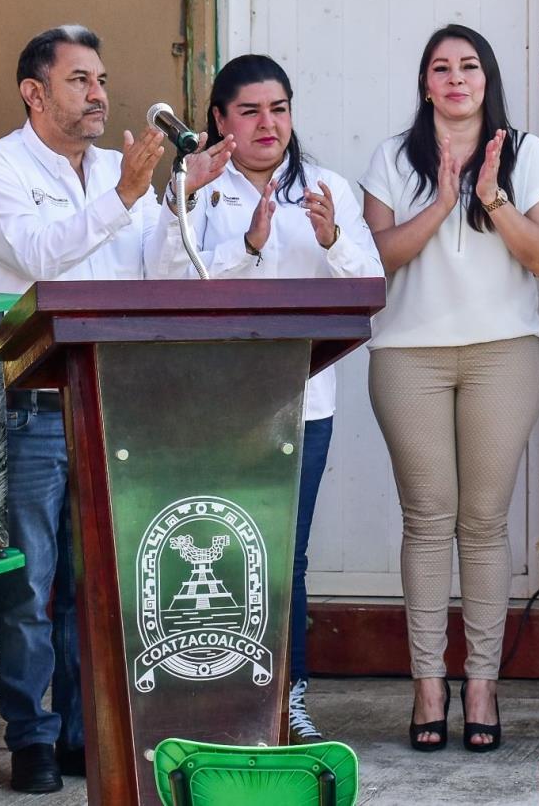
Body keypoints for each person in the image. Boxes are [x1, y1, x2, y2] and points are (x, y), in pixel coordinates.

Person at [144, 53, 384, 744]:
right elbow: (163, 281)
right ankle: (213, 699)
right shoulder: (196, 187)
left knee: (287, 557)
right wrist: (242, 247)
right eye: (248, 110)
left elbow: (369, 283)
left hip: (303, 401)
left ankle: (288, 699)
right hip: (213, 403)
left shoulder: (325, 187)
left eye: (277, 108)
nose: (267, 123)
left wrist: (331, 236)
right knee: (214, 545)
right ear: (219, 120)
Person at [0, 25, 184, 793]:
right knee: (30, 581)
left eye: (101, 79)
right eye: (80, 80)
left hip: (111, 398)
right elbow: (37, 255)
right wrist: (125, 195)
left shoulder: (117, 165)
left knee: (98, 579)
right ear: (34, 92)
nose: (99, 94)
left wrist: (184, 201)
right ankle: (29, 734)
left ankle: (84, 730)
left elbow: (153, 271)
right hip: (25, 406)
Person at [359, 24, 539, 752]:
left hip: (502, 353)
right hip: (408, 355)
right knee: (427, 516)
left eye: (468, 66)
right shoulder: (392, 156)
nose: (455, 78)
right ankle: (427, 683)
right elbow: (376, 259)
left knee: (481, 520)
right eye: (440, 67)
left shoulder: (524, 153)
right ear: (425, 83)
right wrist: (441, 203)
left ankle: (481, 683)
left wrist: (492, 199)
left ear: (487, 78)